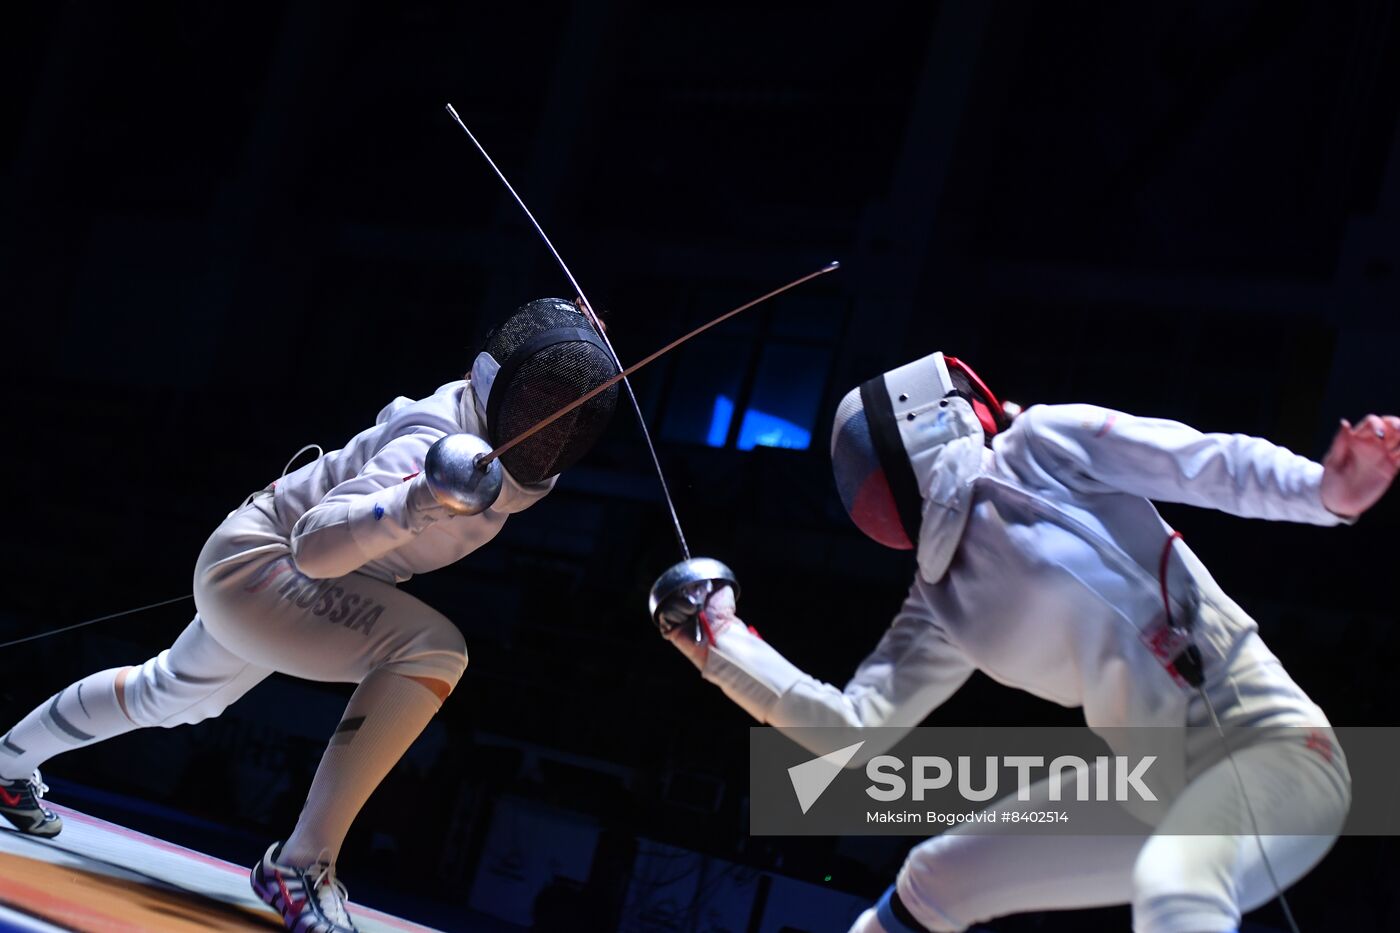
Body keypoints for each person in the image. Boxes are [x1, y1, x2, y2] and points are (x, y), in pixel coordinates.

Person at [656, 350, 1400, 933]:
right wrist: (718, 640)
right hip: (1151, 790)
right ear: (940, 408)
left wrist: (1322, 492)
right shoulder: (954, 574)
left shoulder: (1012, 492)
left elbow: (1200, 461)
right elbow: (854, 728)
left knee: (1179, 884)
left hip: (1276, 752)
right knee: (934, 879)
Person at [0, 298, 619, 933]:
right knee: (433, 651)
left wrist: (565, 337)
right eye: (544, 400)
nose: (555, 425)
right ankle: (299, 866)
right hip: (269, 567)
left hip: (264, 569)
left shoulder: (495, 434)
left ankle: (5, 765)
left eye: (571, 410)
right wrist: (419, 497)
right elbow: (316, 547)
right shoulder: (431, 445)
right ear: (504, 382)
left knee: (171, 693)